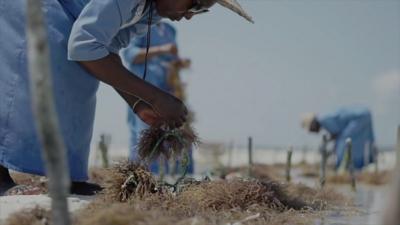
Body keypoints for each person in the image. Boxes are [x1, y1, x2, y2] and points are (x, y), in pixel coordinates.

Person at [0, 0, 253, 195]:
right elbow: (85, 47)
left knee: (79, 88)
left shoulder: (150, 12)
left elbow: (106, 49)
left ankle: (66, 178)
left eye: (200, 11)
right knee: (27, 82)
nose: (189, 15)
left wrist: (138, 102)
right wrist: (155, 96)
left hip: (69, 20)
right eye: (194, 4)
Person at [120, 22, 194, 174]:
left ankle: (171, 175)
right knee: (145, 133)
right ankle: (144, 175)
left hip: (168, 89)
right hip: (144, 89)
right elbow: (131, 56)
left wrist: (178, 63)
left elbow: (171, 58)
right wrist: (162, 50)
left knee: (175, 132)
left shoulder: (170, 29)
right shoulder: (138, 24)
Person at [301, 106, 376, 170]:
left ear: (313, 123)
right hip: (363, 116)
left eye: (311, 129)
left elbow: (338, 134)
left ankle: (347, 166)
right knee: (364, 142)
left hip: (360, 117)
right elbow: (336, 133)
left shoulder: (325, 120)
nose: (313, 131)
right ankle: (359, 163)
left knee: (344, 142)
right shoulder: (325, 121)